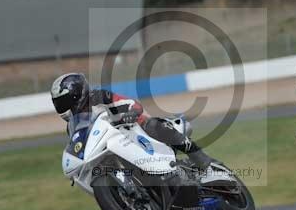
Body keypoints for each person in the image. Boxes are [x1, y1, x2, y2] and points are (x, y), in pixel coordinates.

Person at [50, 72, 218, 169]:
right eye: (60, 103)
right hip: (110, 150)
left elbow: (131, 103)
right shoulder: (72, 127)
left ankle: (201, 159)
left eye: (66, 100)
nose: (65, 106)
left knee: (154, 125)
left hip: (134, 131)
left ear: (77, 94)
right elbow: (80, 148)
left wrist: (131, 112)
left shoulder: (99, 97)